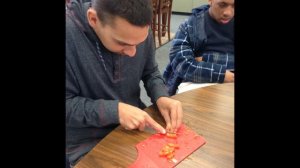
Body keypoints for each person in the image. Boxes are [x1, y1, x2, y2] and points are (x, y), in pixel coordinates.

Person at [66, 0, 183, 167]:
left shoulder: (138, 27)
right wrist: (116, 111)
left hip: (136, 125)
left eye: (139, 42)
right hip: (88, 139)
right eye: (123, 43)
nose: (132, 52)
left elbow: (150, 72)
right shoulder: (70, 35)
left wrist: (161, 96)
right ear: (93, 19)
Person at [163, 0, 235, 95]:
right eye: (222, 5)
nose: (228, 13)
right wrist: (222, 74)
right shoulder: (190, 25)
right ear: (210, 1)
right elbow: (181, 64)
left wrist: (205, 59)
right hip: (197, 83)